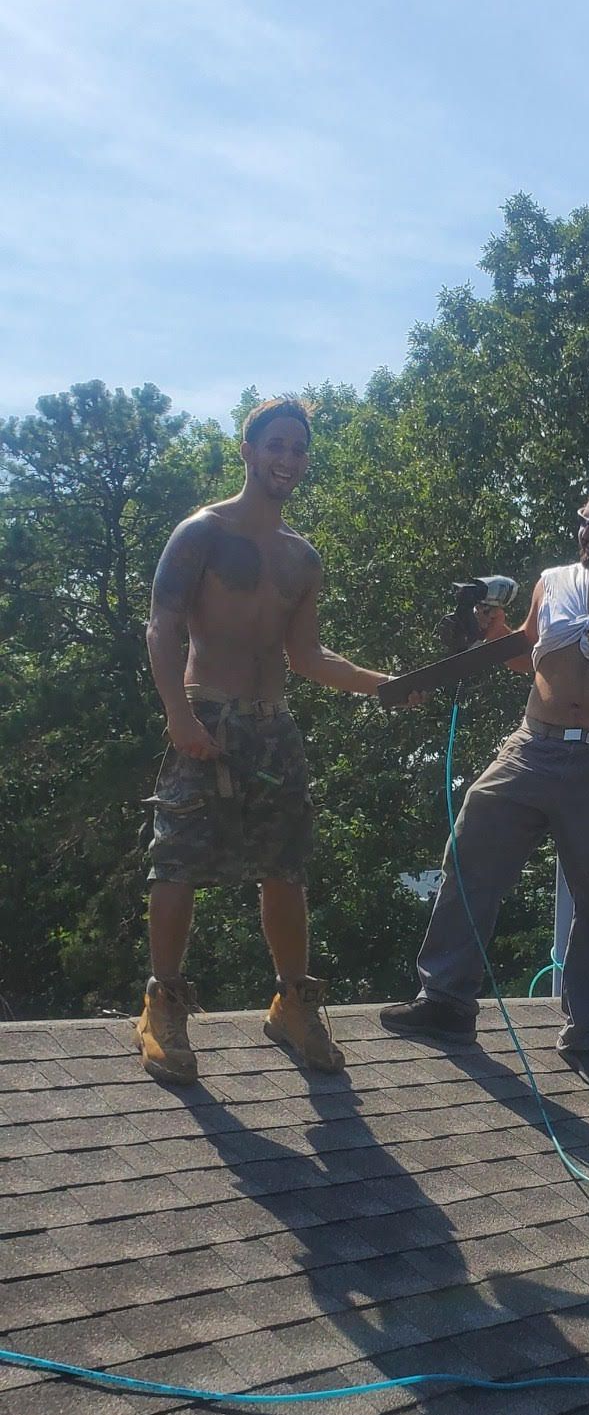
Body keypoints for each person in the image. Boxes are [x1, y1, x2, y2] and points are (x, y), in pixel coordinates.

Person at [381, 482, 589, 1096]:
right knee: (471, 848)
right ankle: (447, 1002)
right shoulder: (553, 581)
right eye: (583, 523)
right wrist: (493, 632)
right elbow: (530, 655)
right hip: (532, 745)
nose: (587, 534)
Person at [138, 396, 392, 1088]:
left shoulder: (300, 557)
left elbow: (307, 656)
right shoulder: (201, 533)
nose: (288, 458)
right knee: (178, 862)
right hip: (206, 717)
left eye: (298, 449)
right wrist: (177, 716)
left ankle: (291, 1003)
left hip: (274, 726)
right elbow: (161, 627)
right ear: (248, 451)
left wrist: (382, 685)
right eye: (276, 445)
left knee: (286, 867)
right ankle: (162, 1004)